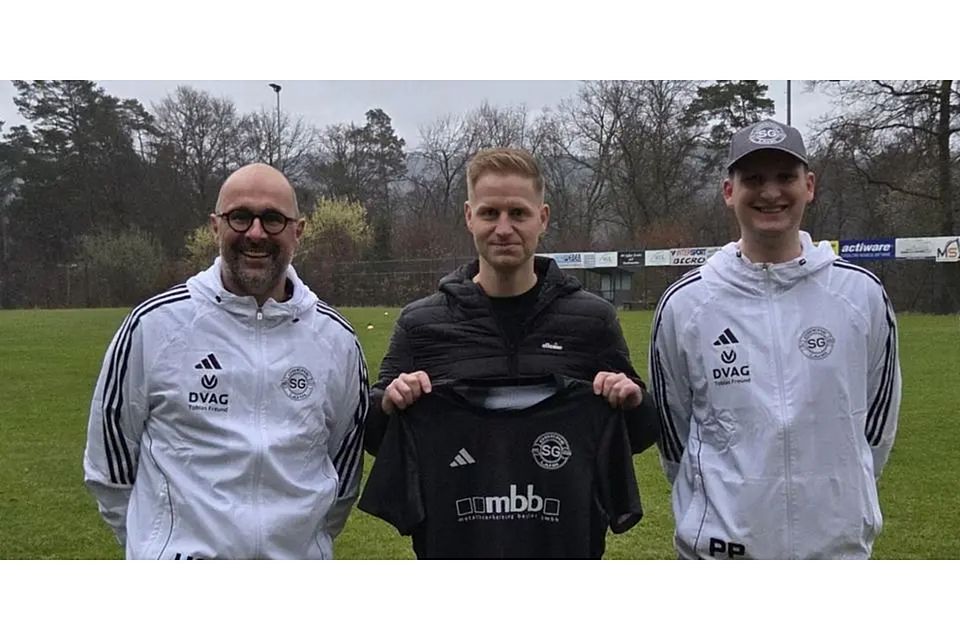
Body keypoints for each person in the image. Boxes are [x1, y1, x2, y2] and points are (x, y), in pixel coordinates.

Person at [83, 163, 369, 559]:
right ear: (216, 226)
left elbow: (343, 477)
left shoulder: (337, 341)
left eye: (273, 219)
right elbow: (110, 469)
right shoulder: (153, 326)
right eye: (240, 216)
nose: (256, 233)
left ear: (298, 231)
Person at [650, 119, 901, 559]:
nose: (770, 193)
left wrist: (842, 498)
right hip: (721, 554)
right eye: (753, 179)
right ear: (729, 191)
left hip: (835, 552)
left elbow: (876, 427)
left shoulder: (860, 294)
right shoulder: (686, 303)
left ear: (809, 186)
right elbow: (674, 434)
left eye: (785, 177)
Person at [364, 147, 659, 457]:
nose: (504, 229)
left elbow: (640, 435)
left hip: (562, 489)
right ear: (469, 217)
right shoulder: (420, 324)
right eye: (490, 213)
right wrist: (388, 404)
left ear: (542, 218)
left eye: (518, 213)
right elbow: (373, 436)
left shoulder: (592, 319)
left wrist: (634, 402)